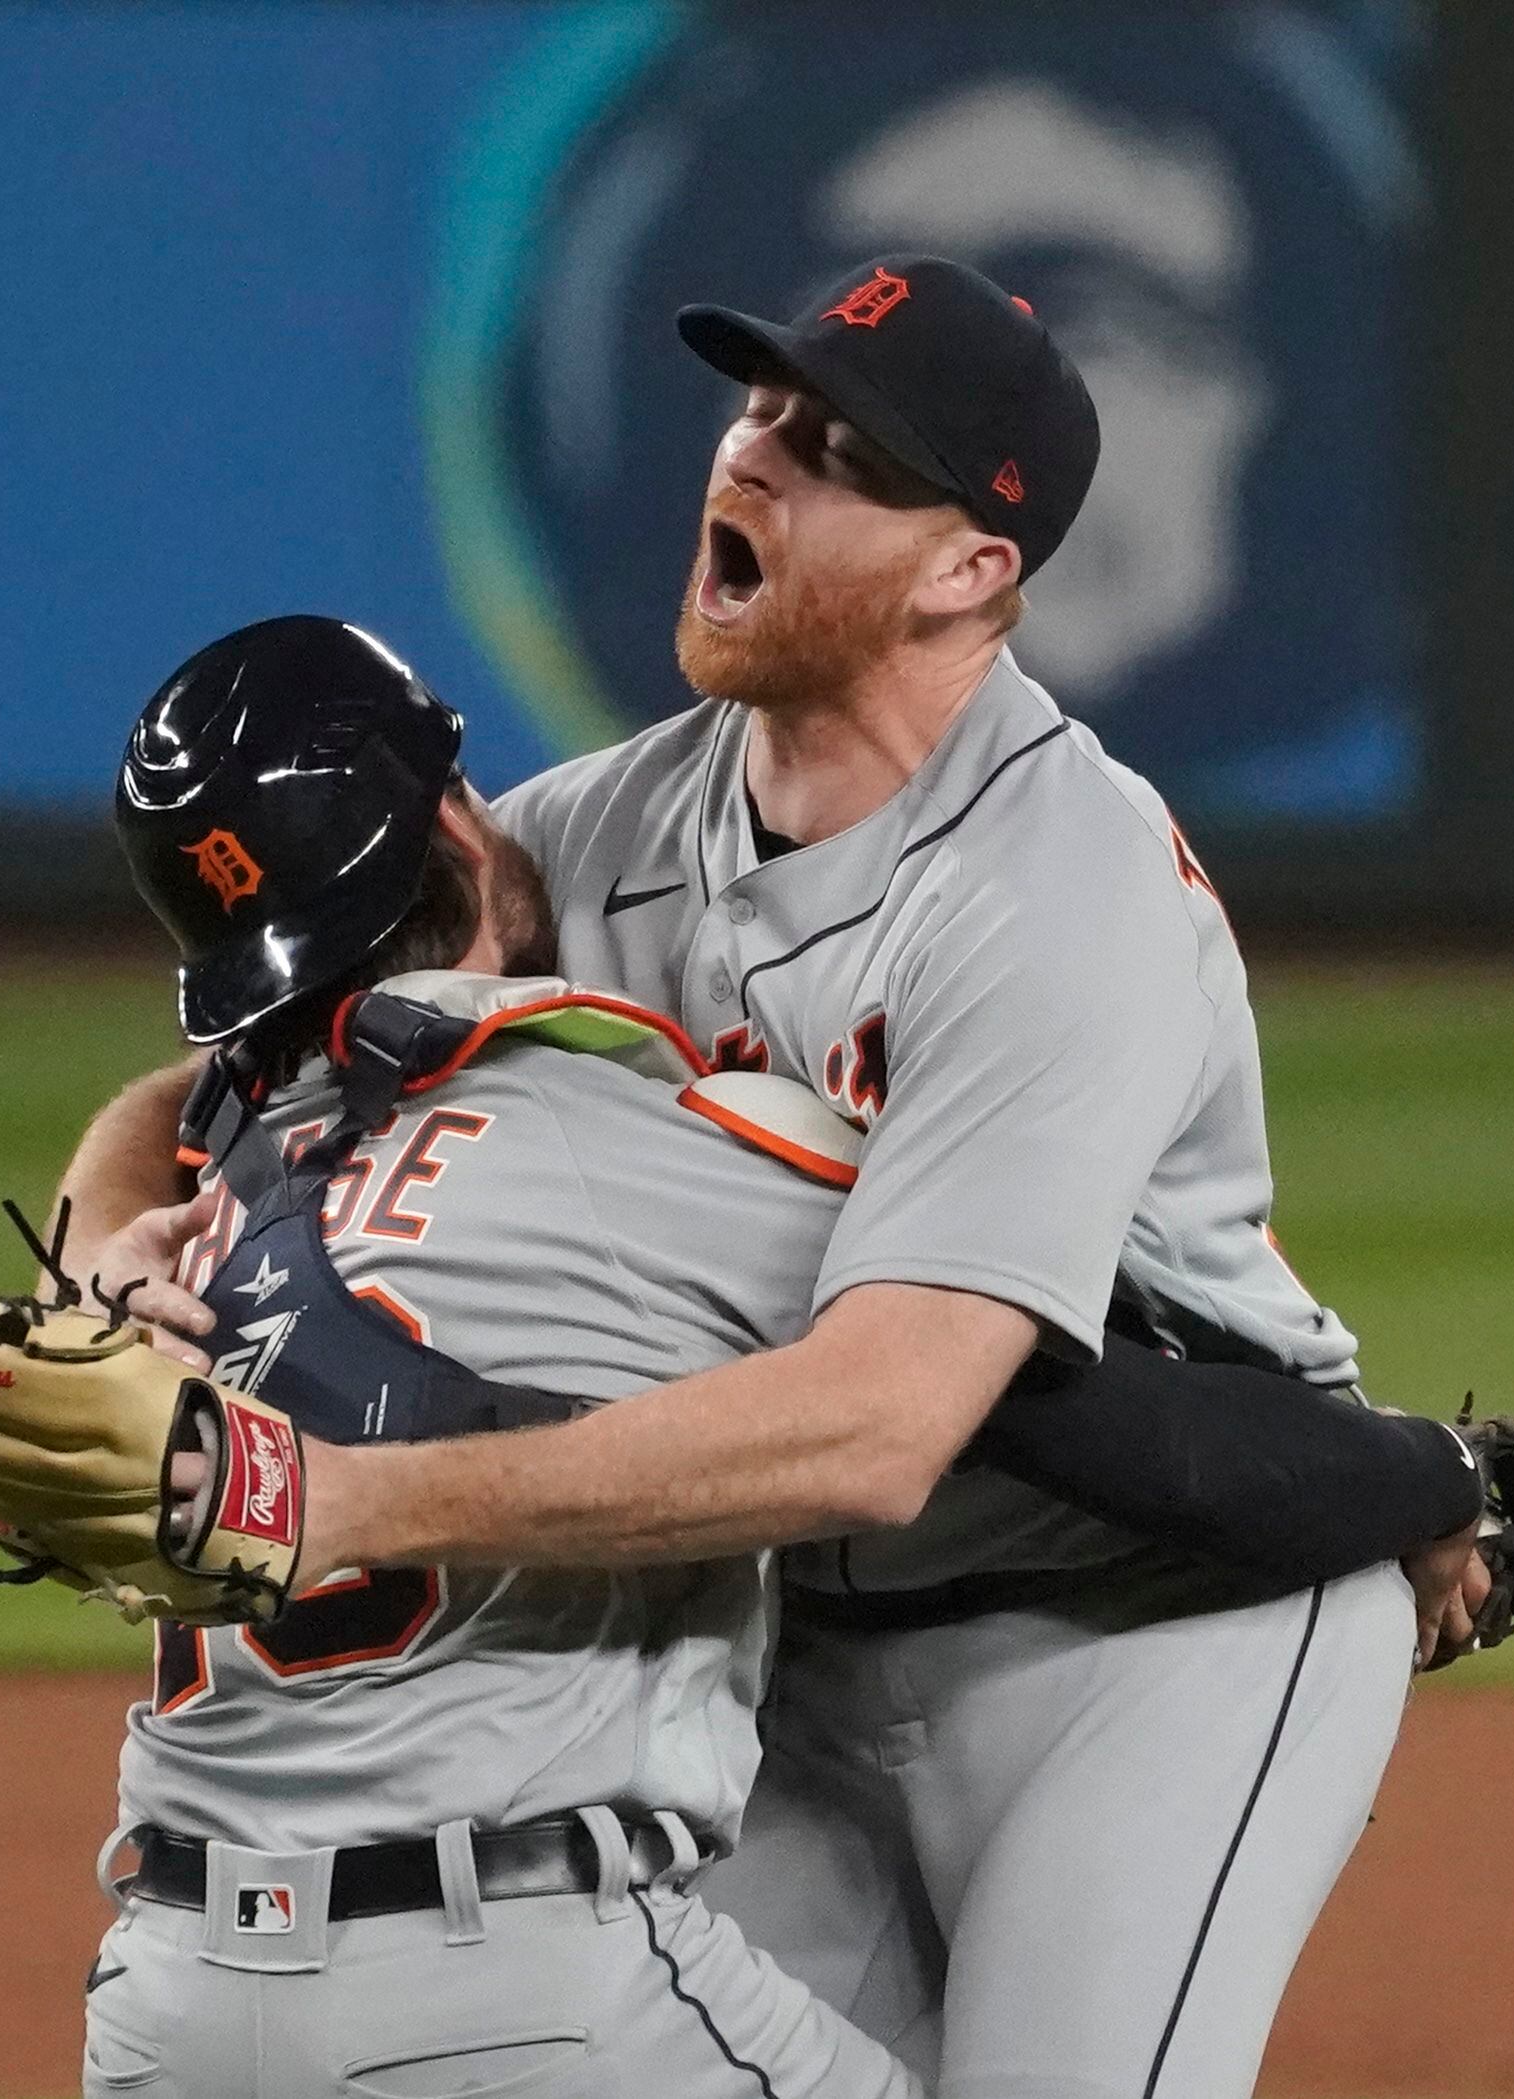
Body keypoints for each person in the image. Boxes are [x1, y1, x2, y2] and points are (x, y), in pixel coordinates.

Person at [60, 259, 1485, 2097]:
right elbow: (203, 1095)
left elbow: (891, 1429)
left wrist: (347, 1499)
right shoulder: (597, 827)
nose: (751, 463)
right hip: (799, 1644)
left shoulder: (1057, 889)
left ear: (968, 565)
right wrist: (110, 1241)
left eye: (831, 455)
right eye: (760, 412)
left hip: (1158, 1614)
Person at [87, 612, 922, 2099]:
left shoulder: (202, 1211)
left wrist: (92, 1241)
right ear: (459, 831)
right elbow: (966, 1359)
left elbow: (172, 1111)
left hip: (164, 2012)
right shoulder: (636, 1143)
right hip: (510, 1991)